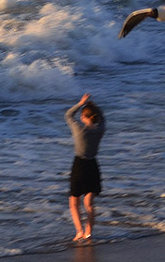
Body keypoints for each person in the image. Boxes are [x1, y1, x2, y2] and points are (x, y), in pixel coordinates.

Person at [65, 93, 106, 241]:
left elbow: (68, 115)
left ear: (84, 116)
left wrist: (80, 103)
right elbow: (102, 119)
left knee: (74, 202)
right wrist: (93, 106)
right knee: (89, 203)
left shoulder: (80, 130)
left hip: (80, 166)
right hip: (93, 166)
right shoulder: (100, 130)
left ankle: (79, 231)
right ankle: (89, 231)